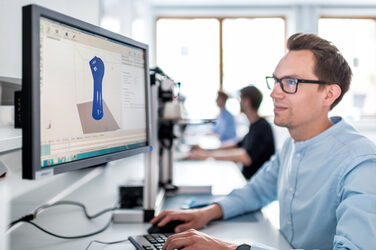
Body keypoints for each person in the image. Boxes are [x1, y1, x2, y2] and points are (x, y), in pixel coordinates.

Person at [152, 33, 376, 250]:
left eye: (290, 82)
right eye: (276, 81)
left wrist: (230, 249)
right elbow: (256, 192)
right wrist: (205, 213)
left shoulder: (361, 164)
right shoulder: (293, 145)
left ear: (329, 94)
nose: (274, 93)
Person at [187, 86, 275, 180]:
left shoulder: (263, 127)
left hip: (256, 184)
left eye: (240, 99)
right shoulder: (254, 125)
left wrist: (207, 155)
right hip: (249, 180)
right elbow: (237, 145)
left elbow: (246, 157)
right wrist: (206, 150)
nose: (239, 102)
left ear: (247, 101)